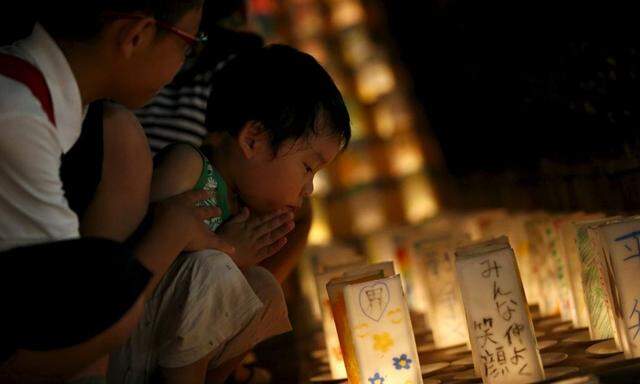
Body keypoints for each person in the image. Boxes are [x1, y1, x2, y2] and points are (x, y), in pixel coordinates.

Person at [0, 1, 234, 381]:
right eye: (188, 44)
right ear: (136, 35)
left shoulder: (80, 113)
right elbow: (78, 318)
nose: (183, 62)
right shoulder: (18, 119)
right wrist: (168, 234)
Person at [107, 44, 351, 384]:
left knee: (263, 288)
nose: (308, 188)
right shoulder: (187, 169)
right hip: (123, 342)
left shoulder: (241, 205)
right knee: (216, 270)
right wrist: (226, 252)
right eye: (307, 168)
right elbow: (144, 267)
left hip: (160, 349)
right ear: (252, 140)